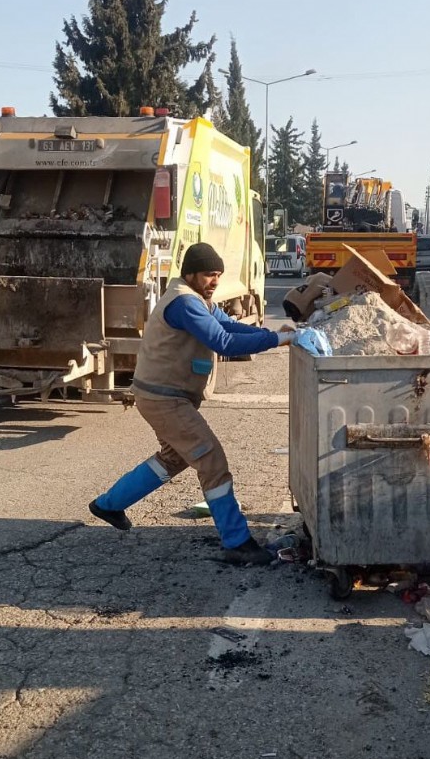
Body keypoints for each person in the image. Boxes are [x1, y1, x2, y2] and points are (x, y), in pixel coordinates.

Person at [89, 242, 296, 565]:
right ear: (190, 274)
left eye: (218, 275)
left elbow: (225, 326)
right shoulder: (185, 303)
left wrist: (270, 332)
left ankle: (108, 505)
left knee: (173, 458)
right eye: (209, 275)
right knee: (212, 461)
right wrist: (276, 340)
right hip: (165, 399)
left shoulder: (196, 298)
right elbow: (222, 341)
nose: (215, 281)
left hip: (163, 395)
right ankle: (237, 542)